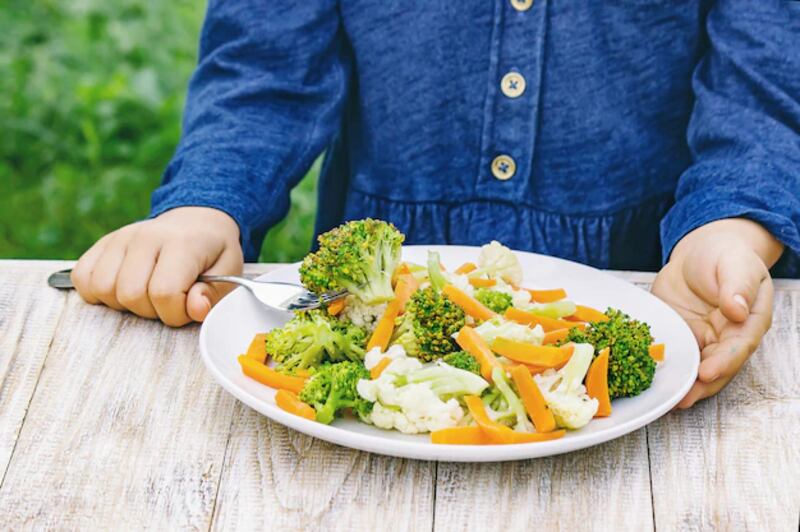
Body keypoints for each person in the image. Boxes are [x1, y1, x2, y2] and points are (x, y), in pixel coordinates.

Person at [71, 1, 800, 408]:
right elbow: (264, 75)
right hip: (367, 318)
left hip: (650, 289)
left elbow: (764, 89)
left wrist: (732, 226)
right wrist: (206, 207)